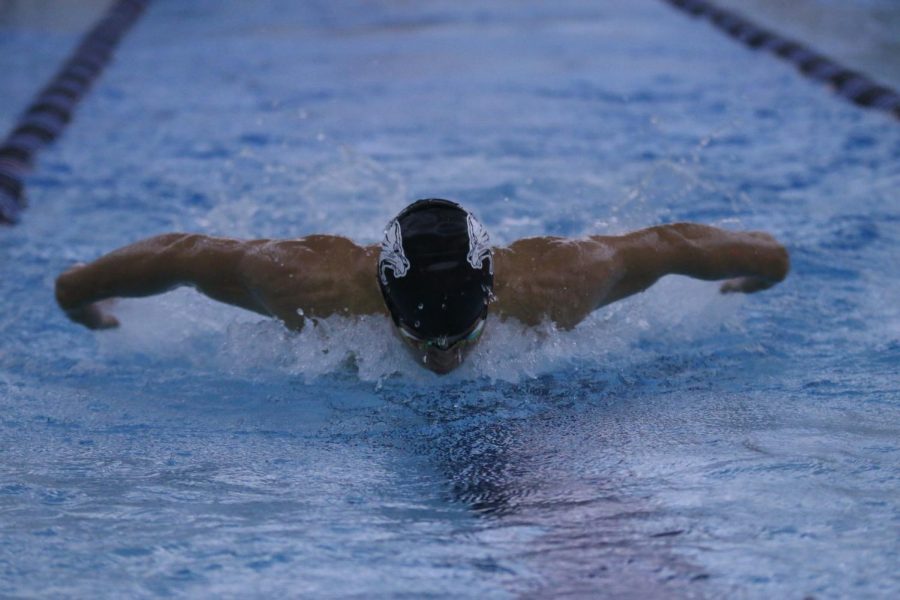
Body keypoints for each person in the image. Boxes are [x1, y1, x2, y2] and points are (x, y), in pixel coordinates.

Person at [55, 198, 789, 374]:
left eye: (464, 337)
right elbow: (185, 253)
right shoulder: (306, 283)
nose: (441, 361)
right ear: (382, 301)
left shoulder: (561, 283)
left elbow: (668, 244)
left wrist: (765, 264)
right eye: (417, 337)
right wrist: (77, 294)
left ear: (493, 296)